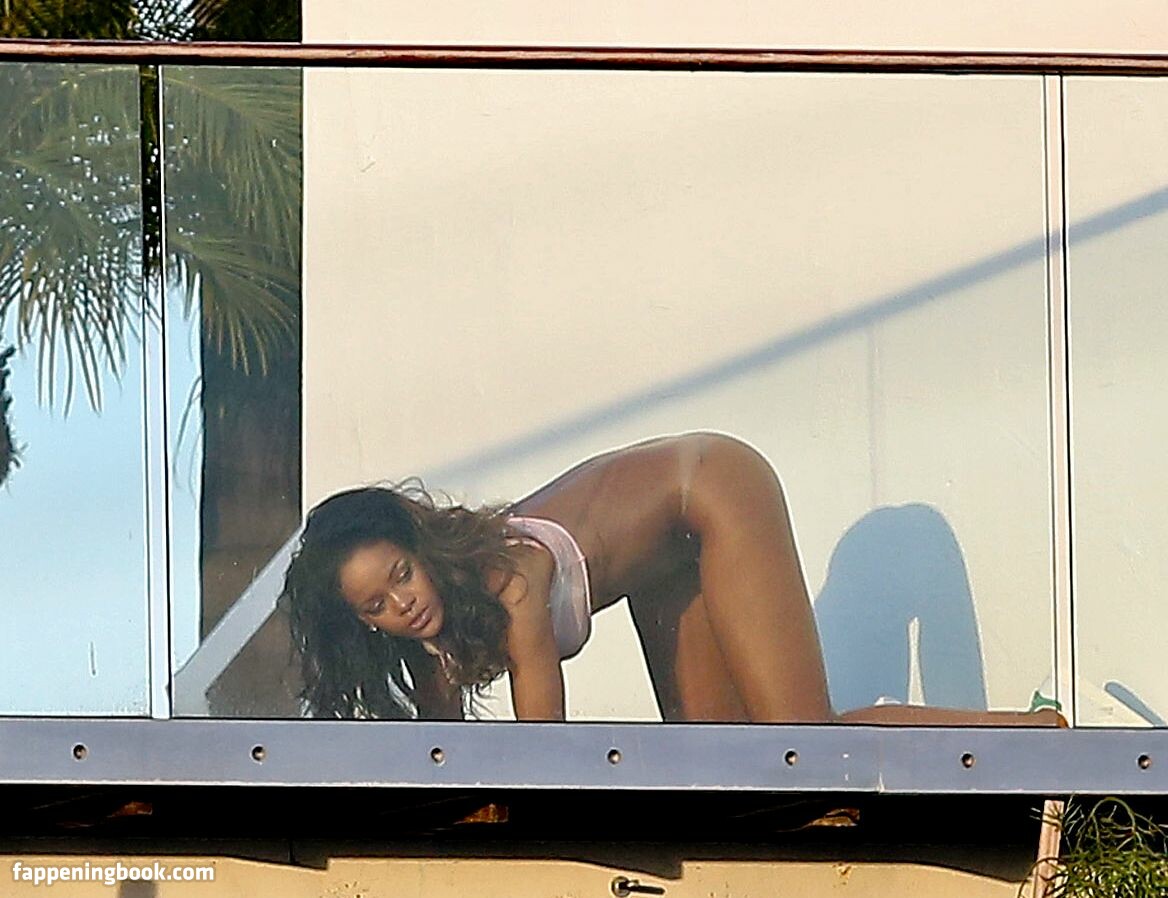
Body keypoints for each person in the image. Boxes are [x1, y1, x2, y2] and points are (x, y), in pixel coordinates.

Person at [285, 432, 1064, 725]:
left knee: (801, 742)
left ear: (421, 546)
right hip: (661, 561)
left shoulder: (507, 579)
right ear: (361, 624)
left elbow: (538, 746)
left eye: (402, 574)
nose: (404, 602)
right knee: (726, 761)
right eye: (378, 605)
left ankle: (1029, 735)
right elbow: (441, 755)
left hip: (710, 488)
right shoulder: (431, 637)